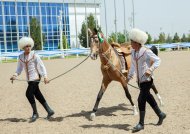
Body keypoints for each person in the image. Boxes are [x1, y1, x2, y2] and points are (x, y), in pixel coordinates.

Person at [127, 28, 166, 132]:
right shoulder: (133, 52)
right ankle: (161, 114)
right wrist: (129, 76)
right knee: (148, 97)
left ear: (137, 42)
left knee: (141, 100)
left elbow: (158, 60)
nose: (130, 43)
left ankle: (141, 124)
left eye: (132, 41)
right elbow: (132, 67)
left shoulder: (146, 51)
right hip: (140, 81)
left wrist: (150, 69)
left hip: (148, 80)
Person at [10, 37, 54, 122]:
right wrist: (15, 75)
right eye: (26, 46)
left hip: (36, 78)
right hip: (29, 80)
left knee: (28, 94)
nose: (28, 47)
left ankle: (35, 113)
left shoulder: (34, 55)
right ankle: (49, 111)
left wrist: (45, 76)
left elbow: (41, 66)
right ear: (23, 47)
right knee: (37, 94)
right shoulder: (20, 57)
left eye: (29, 45)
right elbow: (19, 69)